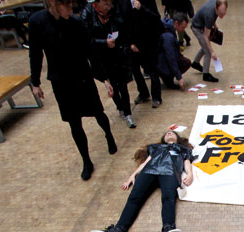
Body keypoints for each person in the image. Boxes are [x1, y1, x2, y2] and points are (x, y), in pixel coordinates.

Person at [29, 0, 117, 181]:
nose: (71, 10)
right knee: (74, 123)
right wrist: (35, 82)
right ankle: (87, 161)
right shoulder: (37, 22)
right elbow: (36, 52)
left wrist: (104, 78)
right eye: (67, 6)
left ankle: (109, 136)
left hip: (82, 76)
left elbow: (90, 51)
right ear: (54, 5)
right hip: (61, 81)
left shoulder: (75, 22)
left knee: (98, 112)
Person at [89, 131, 194, 232]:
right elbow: (145, 163)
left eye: (172, 133)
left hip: (169, 172)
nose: (169, 133)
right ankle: (119, 230)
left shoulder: (182, 149)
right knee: (134, 198)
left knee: (168, 198)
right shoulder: (155, 147)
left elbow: (186, 163)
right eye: (167, 133)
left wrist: (190, 174)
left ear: (178, 138)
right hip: (148, 171)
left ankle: (168, 228)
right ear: (163, 139)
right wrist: (133, 175)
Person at [81, 0, 136, 128]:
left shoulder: (113, 11)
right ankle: (120, 107)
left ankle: (128, 113)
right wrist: (103, 42)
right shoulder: (87, 14)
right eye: (105, 4)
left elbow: (123, 26)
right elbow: (86, 40)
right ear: (96, 4)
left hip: (117, 53)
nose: (109, 6)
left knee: (123, 85)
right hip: (101, 57)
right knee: (113, 86)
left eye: (110, 3)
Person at [115, 0, 163, 108]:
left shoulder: (147, 2)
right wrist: (130, 43)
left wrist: (142, 8)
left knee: (152, 70)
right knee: (135, 70)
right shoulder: (123, 3)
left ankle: (156, 97)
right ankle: (143, 93)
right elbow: (121, 23)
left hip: (148, 41)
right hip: (133, 42)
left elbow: (156, 18)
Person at [189, 0, 226, 83]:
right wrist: (212, 52)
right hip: (197, 28)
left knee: (205, 47)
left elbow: (214, 16)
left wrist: (214, 25)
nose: (222, 16)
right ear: (216, 8)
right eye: (220, 14)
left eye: (224, 13)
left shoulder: (217, 4)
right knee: (208, 51)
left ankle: (195, 63)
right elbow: (206, 36)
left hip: (202, 24)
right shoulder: (210, 15)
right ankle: (206, 74)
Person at [157, 12, 191, 90]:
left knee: (185, 61)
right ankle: (167, 78)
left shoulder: (170, 29)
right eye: (182, 27)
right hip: (160, 61)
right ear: (176, 23)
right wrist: (179, 77)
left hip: (161, 57)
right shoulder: (168, 36)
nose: (183, 30)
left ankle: (168, 76)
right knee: (181, 62)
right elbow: (170, 57)